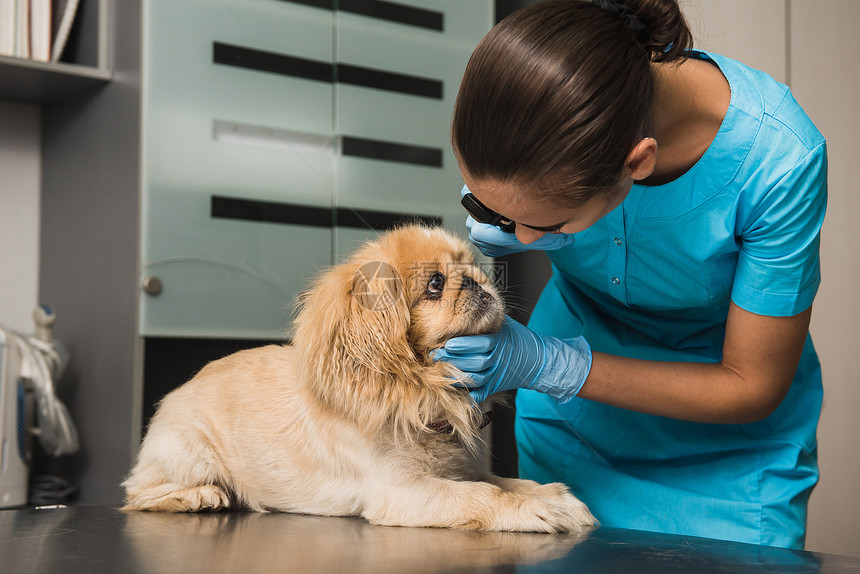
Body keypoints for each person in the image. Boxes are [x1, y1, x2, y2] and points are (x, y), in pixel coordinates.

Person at [432, 0, 827, 549]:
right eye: (498, 215)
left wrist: (548, 363)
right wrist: (514, 213)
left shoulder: (778, 161)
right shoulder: (554, 100)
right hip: (571, 433)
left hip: (729, 454)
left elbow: (752, 384)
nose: (520, 240)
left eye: (544, 224)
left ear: (636, 165)